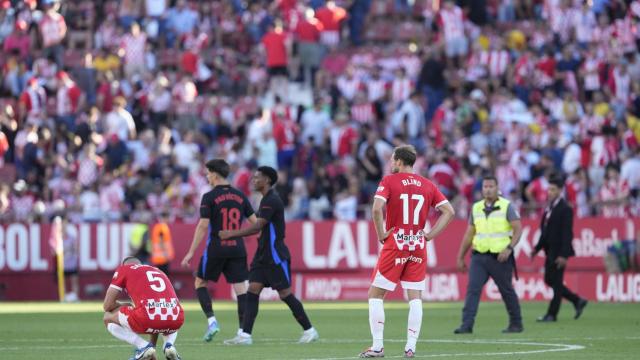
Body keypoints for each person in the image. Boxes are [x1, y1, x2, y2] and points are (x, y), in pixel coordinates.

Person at [359, 145, 455, 358]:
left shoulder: (389, 181)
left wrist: (381, 233)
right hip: (418, 244)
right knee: (415, 297)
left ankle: (377, 346)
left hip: (396, 242)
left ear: (400, 161)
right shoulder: (427, 184)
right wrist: (429, 236)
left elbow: (376, 209)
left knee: (375, 295)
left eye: (393, 160)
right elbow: (449, 211)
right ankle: (410, 347)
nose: (391, 164)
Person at [219, 166, 319, 345]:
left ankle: (310, 330)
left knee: (285, 294)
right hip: (262, 255)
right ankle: (245, 335)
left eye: (257, 177)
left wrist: (231, 234)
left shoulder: (271, 200)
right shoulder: (266, 199)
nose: (253, 180)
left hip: (274, 256)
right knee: (252, 290)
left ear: (267, 181)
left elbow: (258, 226)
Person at [181, 159, 257, 342]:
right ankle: (243, 334)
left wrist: (191, 251)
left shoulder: (209, 197)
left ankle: (212, 321)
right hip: (237, 248)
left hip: (216, 248)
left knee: (200, 282)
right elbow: (256, 224)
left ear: (214, 174)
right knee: (241, 290)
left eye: (208, 173)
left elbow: (202, 226)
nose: (207, 176)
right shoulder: (240, 195)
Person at [454, 175, 524, 334]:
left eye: (491, 186)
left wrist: (509, 248)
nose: (488, 189)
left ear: (497, 188)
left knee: (506, 290)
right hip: (479, 256)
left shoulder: (507, 206)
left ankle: (516, 323)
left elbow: (518, 229)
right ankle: (466, 325)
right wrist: (460, 257)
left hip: (500, 257)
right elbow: (469, 234)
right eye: (485, 186)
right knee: (473, 289)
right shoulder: (476, 207)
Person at [102, 256, 184, 360]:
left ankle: (142, 346)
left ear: (124, 265)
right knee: (162, 313)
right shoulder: (157, 270)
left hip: (149, 316)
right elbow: (158, 307)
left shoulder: (124, 269)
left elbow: (107, 305)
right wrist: (152, 347)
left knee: (107, 317)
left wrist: (125, 305)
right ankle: (169, 345)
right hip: (176, 317)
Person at [531, 174, 588, 322]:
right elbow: (545, 232)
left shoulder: (565, 209)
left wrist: (564, 255)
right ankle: (577, 300)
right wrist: (536, 249)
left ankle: (552, 314)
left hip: (559, 252)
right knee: (549, 280)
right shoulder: (549, 208)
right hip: (549, 251)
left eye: (553, 189)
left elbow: (567, 233)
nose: (549, 192)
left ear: (560, 190)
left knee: (555, 283)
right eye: (548, 189)